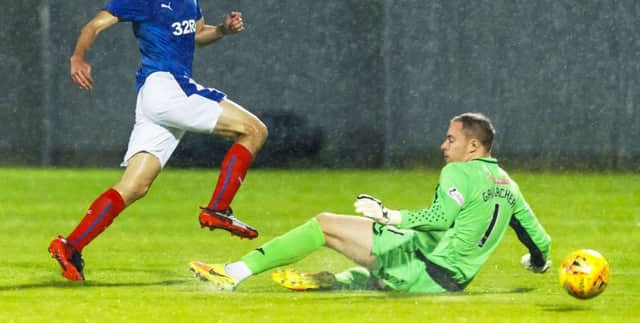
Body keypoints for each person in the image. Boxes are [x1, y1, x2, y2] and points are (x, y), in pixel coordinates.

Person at [48, 0, 268, 282]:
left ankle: (71, 245)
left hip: (159, 99)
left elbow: (196, 34)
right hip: (165, 86)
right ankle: (218, 209)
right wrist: (78, 57)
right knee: (254, 130)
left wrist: (223, 30)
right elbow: (94, 25)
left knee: (135, 186)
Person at [189, 112, 551, 293]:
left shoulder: (459, 172)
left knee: (325, 223)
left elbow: (441, 218)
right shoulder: (509, 185)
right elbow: (540, 242)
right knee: (393, 254)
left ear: (473, 146)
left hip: (421, 272)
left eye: (451, 139)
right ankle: (340, 281)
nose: (444, 145)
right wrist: (537, 264)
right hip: (448, 283)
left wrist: (389, 214)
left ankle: (232, 274)